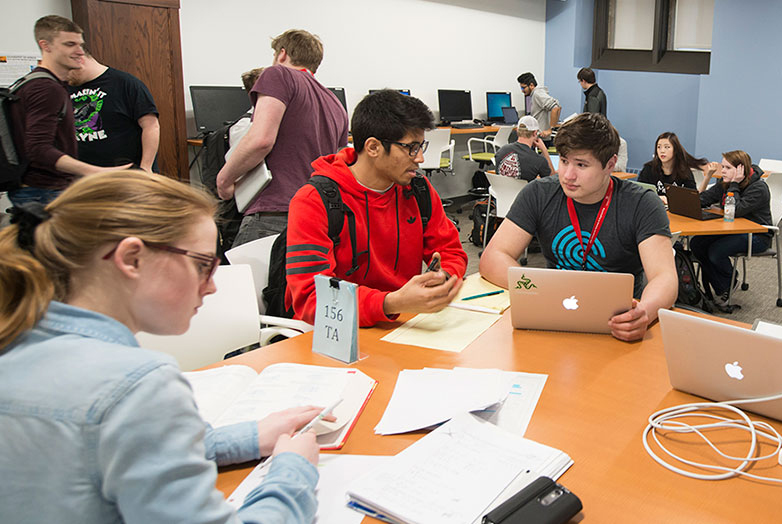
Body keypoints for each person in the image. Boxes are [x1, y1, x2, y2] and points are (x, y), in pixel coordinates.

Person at [0, 170, 328, 523]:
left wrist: (249, 436)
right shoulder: (138, 385)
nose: (212, 287)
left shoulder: (20, 338)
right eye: (203, 265)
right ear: (132, 259)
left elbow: (113, 446)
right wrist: (293, 473)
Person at [479, 113, 677, 342]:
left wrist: (644, 312)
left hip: (617, 323)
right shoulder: (539, 193)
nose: (568, 175)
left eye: (581, 164)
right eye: (564, 161)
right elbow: (493, 257)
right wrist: (539, 290)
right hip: (553, 314)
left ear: (610, 164)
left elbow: (665, 277)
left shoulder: (642, 203)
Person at [285, 90, 467, 327]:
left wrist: (442, 277)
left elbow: (451, 252)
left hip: (400, 323)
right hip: (337, 332)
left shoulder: (418, 190)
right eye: (411, 147)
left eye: (422, 146)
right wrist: (390, 303)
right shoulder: (314, 201)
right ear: (373, 147)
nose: (420, 158)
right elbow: (312, 299)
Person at [216, 29, 349, 246]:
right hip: (315, 215)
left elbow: (260, 140)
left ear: (282, 54)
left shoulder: (277, 74)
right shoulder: (335, 102)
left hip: (273, 214)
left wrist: (224, 180)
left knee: (242, 279)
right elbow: (339, 163)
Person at [7, 15, 128, 207]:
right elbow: (38, 148)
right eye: (70, 44)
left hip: (38, 189)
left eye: (80, 44)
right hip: (43, 192)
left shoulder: (33, 83)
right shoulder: (46, 89)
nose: (80, 51)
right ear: (46, 46)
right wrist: (94, 171)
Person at [691, 150, 773, 306]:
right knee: (697, 244)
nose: (722, 171)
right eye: (723, 167)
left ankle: (727, 283)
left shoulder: (758, 188)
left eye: (727, 168)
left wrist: (734, 184)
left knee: (716, 251)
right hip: (731, 231)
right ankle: (724, 286)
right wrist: (688, 201)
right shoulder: (725, 182)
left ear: (741, 169)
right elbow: (705, 198)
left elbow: (737, 210)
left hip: (757, 235)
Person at [67, 50, 160, 172]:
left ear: (80, 60)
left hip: (129, 174)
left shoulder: (126, 84)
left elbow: (151, 126)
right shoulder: (65, 88)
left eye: (67, 70)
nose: (65, 75)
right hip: (85, 177)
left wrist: (146, 167)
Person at [637, 132, 713, 202]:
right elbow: (639, 192)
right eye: (659, 147)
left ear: (675, 150)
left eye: (667, 147)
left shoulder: (683, 171)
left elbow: (693, 197)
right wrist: (657, 197)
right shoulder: (649, 168)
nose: (662, 151)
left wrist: (708, 176)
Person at [494, 115, 555, 181]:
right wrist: (544, 150)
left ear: (517, 131)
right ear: (535, 133)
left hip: (502, 191)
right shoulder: (538, 160)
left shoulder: (501, 151)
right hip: (524, 191)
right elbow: (552, 180)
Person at [517, 72, 561, 146]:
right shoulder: (536, 94)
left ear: (531, 85)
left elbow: (556, 108)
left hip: (541, 138)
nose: (522, 90)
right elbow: (558, 108)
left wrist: (550, 129)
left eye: (523, 88)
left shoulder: (537, 94)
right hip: (540, 137)